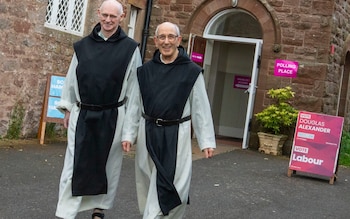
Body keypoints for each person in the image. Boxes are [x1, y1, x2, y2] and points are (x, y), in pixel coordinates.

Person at [55, 0, 142, 218]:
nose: (108, 20)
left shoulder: (131, 49)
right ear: (98, 14)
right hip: (82, 114)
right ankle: (66, 212)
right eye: (105, 15)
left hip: (114, 115)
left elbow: (135, 93)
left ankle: (99, 209)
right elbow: (72, 77)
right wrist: (67, 107)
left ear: (122, 17)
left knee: (108, 166)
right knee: (73, 165)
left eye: (113, 16)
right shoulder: (82, 46)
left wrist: (130, 132)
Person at [122, 21, 216, 218]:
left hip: (177, 135)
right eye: (162, 37)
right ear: (155, 41)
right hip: (148, 132)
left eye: (170, 37)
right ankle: (151, 213)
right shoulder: (144, 71)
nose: (166, 42)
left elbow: (200, 107)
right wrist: (128, 134)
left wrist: (206, 140)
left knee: (177, 185)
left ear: (178, 40)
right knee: (148, 182)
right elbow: (135, 106)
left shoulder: (191, 71)